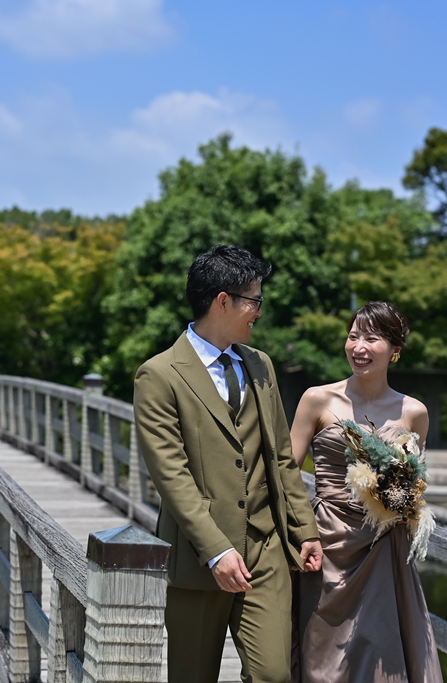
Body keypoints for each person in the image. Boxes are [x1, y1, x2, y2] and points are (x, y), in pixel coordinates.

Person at [134, 245, 323, 683]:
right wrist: (216, 551)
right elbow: (171, 476)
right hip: (199, 557)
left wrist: (305, 529)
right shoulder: (159, 375)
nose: (259, 311)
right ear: (223, 301)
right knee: (192, 677)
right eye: (255, 300)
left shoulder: (261, 365)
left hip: (266, 547)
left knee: (274, 676)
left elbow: (280, 457)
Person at [289, 301, 443, 682]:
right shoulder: (317, 399)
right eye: (353, 336)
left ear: (395, 350)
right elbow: (284, 473)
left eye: (371, 339)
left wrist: (401, 499)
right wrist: (297, 534)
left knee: (380, 654)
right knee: (321, 656)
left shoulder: (414, 413)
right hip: (326, 544)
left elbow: (413, 483)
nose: (358, 347)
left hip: (383, 548)